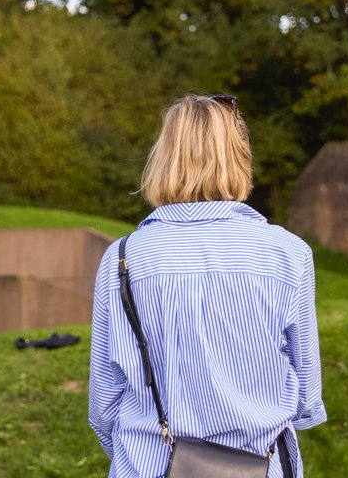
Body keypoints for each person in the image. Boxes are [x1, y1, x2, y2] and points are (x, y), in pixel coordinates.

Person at [89, 93, 326, 478]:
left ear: (164, 157)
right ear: (238, 155)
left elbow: (104, 403)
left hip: (147, 466)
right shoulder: (287, 253)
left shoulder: (124, 258)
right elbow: (307, 401)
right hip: (260, 464)